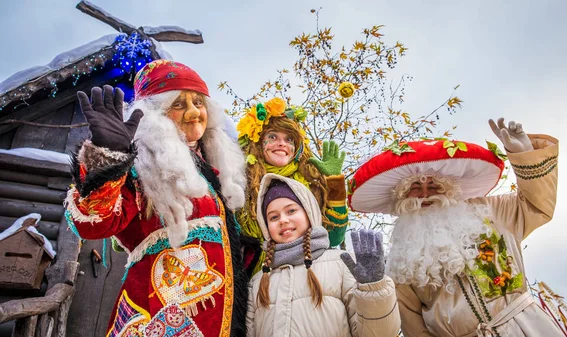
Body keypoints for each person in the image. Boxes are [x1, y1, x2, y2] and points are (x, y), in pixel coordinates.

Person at [64, 60, 249, 337]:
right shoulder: (142, 165)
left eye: (198, 102)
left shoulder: (217, 171)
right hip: (159, 316)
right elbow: (95, 223)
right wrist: (108, 157)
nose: (193, 112)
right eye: (178, 104)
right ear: (157, 114)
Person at [348, 118, 562, 336]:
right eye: (415, 187)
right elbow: (414, 327)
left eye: (433, 185)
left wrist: (523, 155)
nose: (425, 194)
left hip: (525, 328)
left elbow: (538, 205)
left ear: (447, 188)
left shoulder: (489, 211)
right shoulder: (399, 259)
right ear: (402, 196)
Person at [246, 173, 400, 337]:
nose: (283, 220)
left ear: (309, 213)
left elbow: (380, 333)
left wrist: (374, 290)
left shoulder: (341, 264)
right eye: (273, 217)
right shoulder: (258, 282)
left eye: (291, 210)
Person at [236, 98, 348, 274]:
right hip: (262, 281)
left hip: (312, 271)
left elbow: (333, 238)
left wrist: (334, 183)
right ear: (257, 143)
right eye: (273, 137)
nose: (282, 143)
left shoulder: (311, 181)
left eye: (289, 139)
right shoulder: (239, 184)